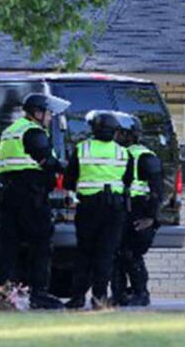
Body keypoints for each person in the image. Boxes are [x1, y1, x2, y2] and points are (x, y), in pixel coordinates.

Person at [0, 92, 70, 310]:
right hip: (30, 196)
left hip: (7, 195)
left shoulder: (11, 131)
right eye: (48, 113)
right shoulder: (33, 132)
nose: (50, 117)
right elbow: (48, 161)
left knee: (7, 246)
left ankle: (2, 294)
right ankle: (39, 294)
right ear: (37, 113)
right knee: (41, 244)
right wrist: (67, 166)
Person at [64, 111, 132, 310]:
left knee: (84, 252)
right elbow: (127, 181)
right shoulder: (122, 152)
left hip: (89, 207)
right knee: (106, 253)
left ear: (94, 128)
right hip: (114, 208)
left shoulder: (82, 148)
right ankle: (99, 297)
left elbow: (69, 179)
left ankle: (77, 297)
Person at [111, 112, 163, 306]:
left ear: (128, 134)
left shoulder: (145, 157)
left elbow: (158, 190)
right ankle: (119, 295)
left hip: (139, 212)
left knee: (131, 254)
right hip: (122, 210)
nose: (115, 136)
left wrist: (151, 217)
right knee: (117, 255)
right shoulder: (118, 154)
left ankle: (141, 293)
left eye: (118, 133)